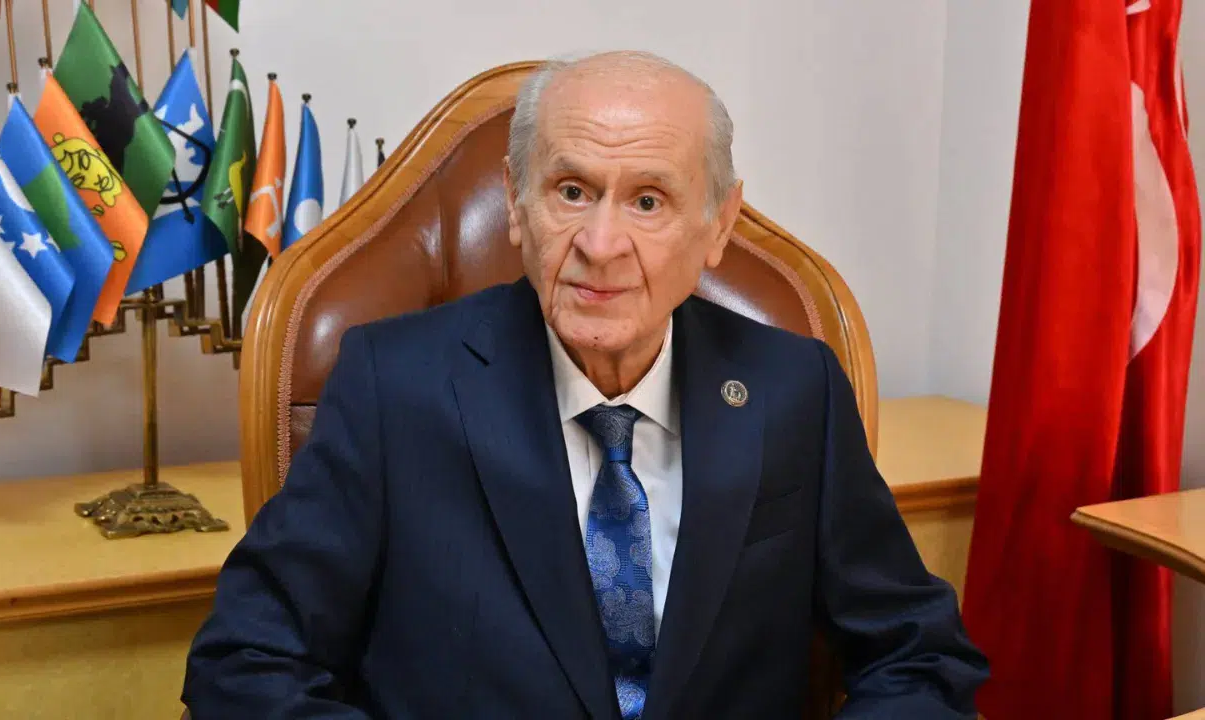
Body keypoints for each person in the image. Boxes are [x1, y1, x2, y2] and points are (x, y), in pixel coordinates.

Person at [182, 50, 989, 719]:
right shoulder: (393, 387)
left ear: (717, 226)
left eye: (648, 201)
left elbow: (917, 655)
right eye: (571, 191)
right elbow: (247, 661)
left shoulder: (793, 391)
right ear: (516, 204)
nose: (601, 245)